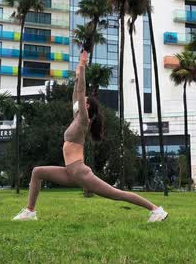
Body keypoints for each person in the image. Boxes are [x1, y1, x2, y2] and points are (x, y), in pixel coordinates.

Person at [13, 50, 168, 222]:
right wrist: (78, 76)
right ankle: (30, 211)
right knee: (37, 172)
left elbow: (80, 92)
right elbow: (75, 95)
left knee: (117, 194)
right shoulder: (76, 118)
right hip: (69, 172)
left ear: (86, 106)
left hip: (80, 172)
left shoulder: (83, 121)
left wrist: (82, 65)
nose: (80, 100)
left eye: (83, 100)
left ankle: (156, 209)